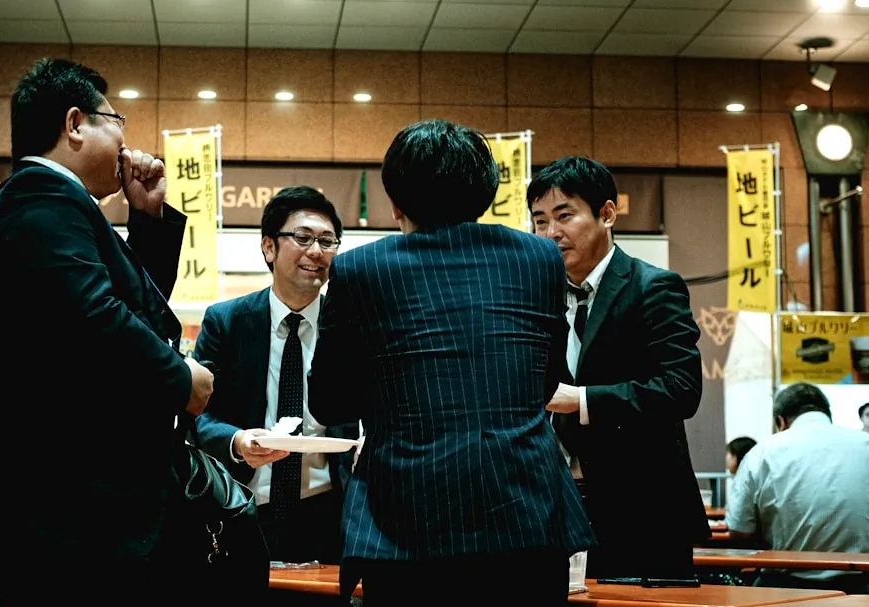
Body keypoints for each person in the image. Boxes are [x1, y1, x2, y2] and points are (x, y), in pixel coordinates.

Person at [0, 58, 214, 604]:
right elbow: (95, 318)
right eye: (115, 120)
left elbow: (123, 312)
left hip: (69, 515)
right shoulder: (42, 196)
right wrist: (180, 380)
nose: (125, 139)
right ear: (75, 124)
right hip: (61, 516)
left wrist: (146, 218)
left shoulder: (51, 202)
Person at [308, 119, 594, 605]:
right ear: (484, 191)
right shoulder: (539, 258)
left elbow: (330, 400)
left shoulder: (360, 268)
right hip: (526, 511)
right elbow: (545, 383)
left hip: (406, 521)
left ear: (396, 202)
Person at [529, 155, 710, 580]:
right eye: (540, 221)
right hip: (554, 506)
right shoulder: (536, 297)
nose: (551, 233)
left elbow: (680, 388)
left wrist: (582, 401)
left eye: (564, 216)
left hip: (644, 510)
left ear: (607, 214)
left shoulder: (653, 287)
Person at [191, 186, 358, 568]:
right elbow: (197, 415)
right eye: (303, 238)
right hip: (243, 506)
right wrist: (236, 440)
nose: (316, 252)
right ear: (269, 247)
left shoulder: (350, 327)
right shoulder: (228, 322)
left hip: (329, 511)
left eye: (327, 241)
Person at [726, 383, 869, 594]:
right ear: (827, 414)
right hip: (862, 587)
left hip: (784, 587)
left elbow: (739, 531)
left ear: (781, 421)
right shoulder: (865, 443)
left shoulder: (762, 452)